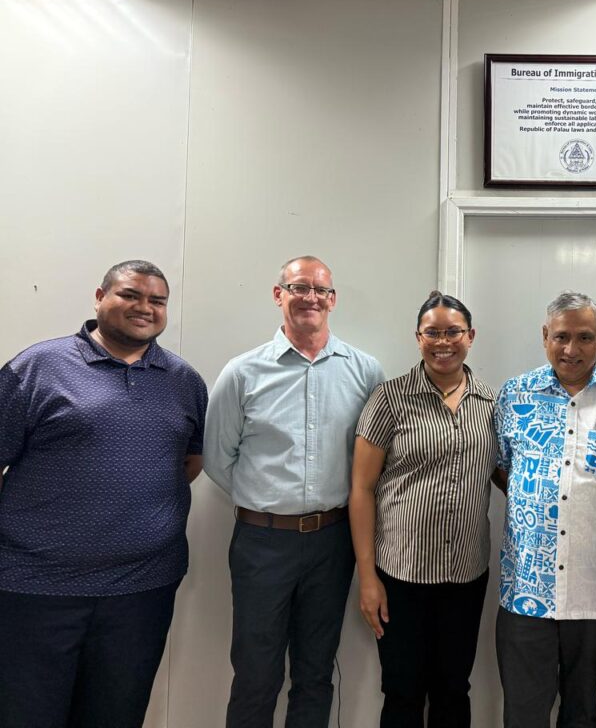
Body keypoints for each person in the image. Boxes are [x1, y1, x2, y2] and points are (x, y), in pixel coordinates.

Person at [0, 259, 208, 728]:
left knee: (117, 715)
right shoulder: (37, 368)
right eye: (130, 295)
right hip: (35, 587)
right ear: (99, 297)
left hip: (142, 590)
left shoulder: (184, 381)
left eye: (157, 300)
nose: (144, 307)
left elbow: (189, 462)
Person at [204, 255, 385, 728]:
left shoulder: (365, 371)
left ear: (333, 300)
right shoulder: (242, 373)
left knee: (315, 672)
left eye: (321, 290)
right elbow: (218, 459)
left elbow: (373, 460)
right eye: (299, 287)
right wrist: (268, 501)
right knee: (256, 673)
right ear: (278, 294)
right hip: (262, 543)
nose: (311, 298)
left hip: (332, 541)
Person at [493, 290, 596, 728]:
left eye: (584, 337)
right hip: (525, 592)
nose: (571, 349)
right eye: (561, 337)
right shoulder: (514, 396)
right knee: (523, 716)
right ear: (545, 336)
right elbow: (502, 469)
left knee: (582, 714)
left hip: (595, 595)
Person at [350, 291, 497, 728]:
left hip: (465, 575)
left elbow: (508, 475)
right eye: (432, 333)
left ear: (471, 336)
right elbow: (361, 489)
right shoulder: (389, 399)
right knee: (402, 691)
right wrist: (367, 577)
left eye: (453, 332)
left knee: (454, 689)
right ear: (418, 338)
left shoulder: (492, 404)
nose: (443, 342)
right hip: (401, 576)